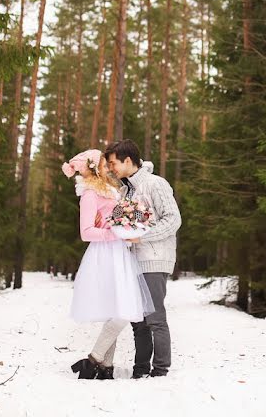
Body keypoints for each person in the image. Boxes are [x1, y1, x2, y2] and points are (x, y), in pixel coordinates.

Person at [62, 149, 154, 380]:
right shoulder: (89, 193)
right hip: (104, 254)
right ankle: (97, 360)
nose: (109, 168)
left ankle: (103, 365)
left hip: (119, 253)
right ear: (94, 168)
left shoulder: (110, 189)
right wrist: (115, 234)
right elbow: (86, 232)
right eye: (104, 165)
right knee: (120, 310)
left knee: (120, 308)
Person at [104, 139, 182, 378]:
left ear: (128, 161)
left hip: (154, 260)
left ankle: (160, 370)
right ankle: (140, 369)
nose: (111, 169)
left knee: (155, 316)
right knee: (137, 319)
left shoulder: (155, 184)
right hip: (132, 262)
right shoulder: (125, 191)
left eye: (113, 163)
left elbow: (173, 219)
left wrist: (141, 237)